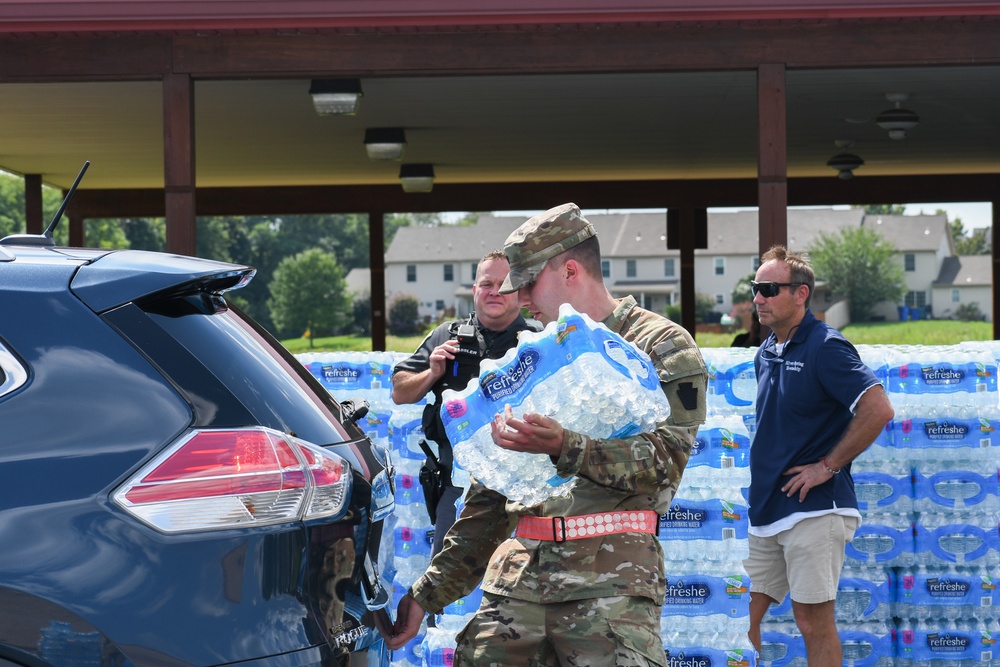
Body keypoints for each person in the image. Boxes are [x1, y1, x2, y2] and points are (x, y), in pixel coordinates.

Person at [381, 202, 708, 666]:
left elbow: (662, 467)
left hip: (609, 590)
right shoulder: (534, 352)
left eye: (528, 284)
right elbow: (492, 494)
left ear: (570, 270)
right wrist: (427, 594)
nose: (522, 299)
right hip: (518, 585)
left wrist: (563, 446)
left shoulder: (659, 346)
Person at [744, 245, 894, 667]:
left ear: (801, 294)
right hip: (767, 509)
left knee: (812, 621)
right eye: (756, 288)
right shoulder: (766, 351)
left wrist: (827, 466)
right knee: (741, 616)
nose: (759, 297)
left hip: (815, 512)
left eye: (770, 289)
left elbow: (878, 409)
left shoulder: (826, 346)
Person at [391, 249, 535, 556]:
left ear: (521, 293)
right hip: (458, 488)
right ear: (474, 291)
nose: (494, 291)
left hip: (525, 489)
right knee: (446, 590)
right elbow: (399, 391)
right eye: (486, 284)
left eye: (504, 284)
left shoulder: (540, 340)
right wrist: (431, 373)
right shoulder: (449, 336)